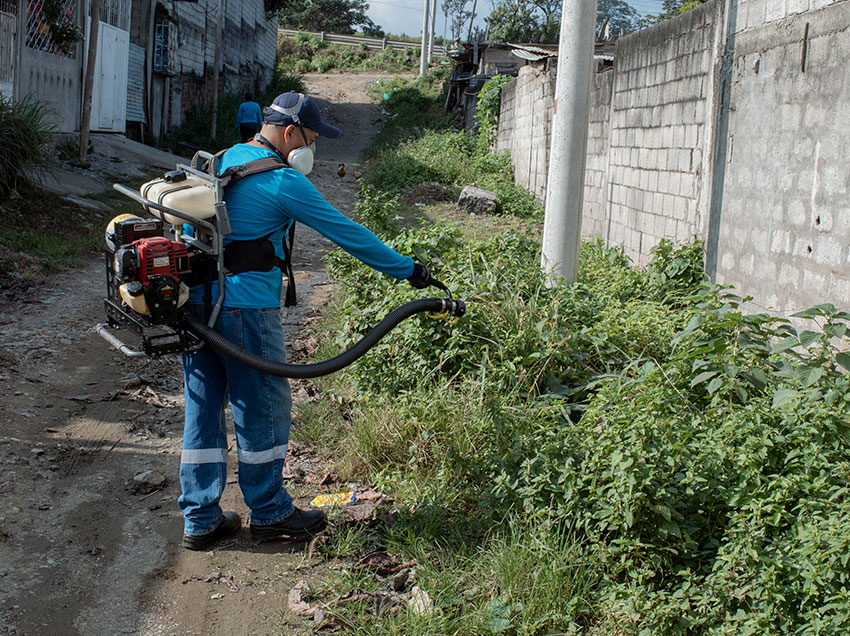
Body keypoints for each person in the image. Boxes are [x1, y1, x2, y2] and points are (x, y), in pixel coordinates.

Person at [180, 91, 434, 550]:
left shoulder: (220, 159)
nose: (312, 151)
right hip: (246, 313)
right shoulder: (282, 181)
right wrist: (409, 270)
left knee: (203, 409)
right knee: (263, 407)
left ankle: (200, 518)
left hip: (196, 306)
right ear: (290, 132)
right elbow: (349, 233)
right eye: (312, 139)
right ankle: (272, 512)